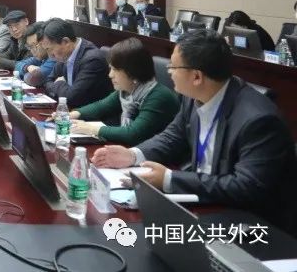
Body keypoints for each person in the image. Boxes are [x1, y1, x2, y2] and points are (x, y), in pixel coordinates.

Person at [91, 29, 297, 236]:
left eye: (173, 66)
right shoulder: (193, 97)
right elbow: (172, 137)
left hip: (249, 224)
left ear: (197, 76)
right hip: (203, 202)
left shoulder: (259, 120)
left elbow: (245, 187)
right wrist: (133, 155)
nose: (168, 71)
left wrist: (170, 179)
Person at [66, 37, 179, 146]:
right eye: (110, 68)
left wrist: (92, 129)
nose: (110, 75)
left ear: (133, 72)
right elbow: (101, 107)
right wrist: (71, 115)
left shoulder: (158, 97)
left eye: (115, 70)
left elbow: (132, 134)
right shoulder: (128, 90)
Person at [30, 18, 112, 112]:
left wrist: (59, 83)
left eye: (50, 49)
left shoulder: (92, 60)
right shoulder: (65, 54)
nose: (50, 56)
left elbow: (72, 98)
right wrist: (64, 88)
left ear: (66, 42)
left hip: (91, 116)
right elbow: (47, 82)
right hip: (70, 112)